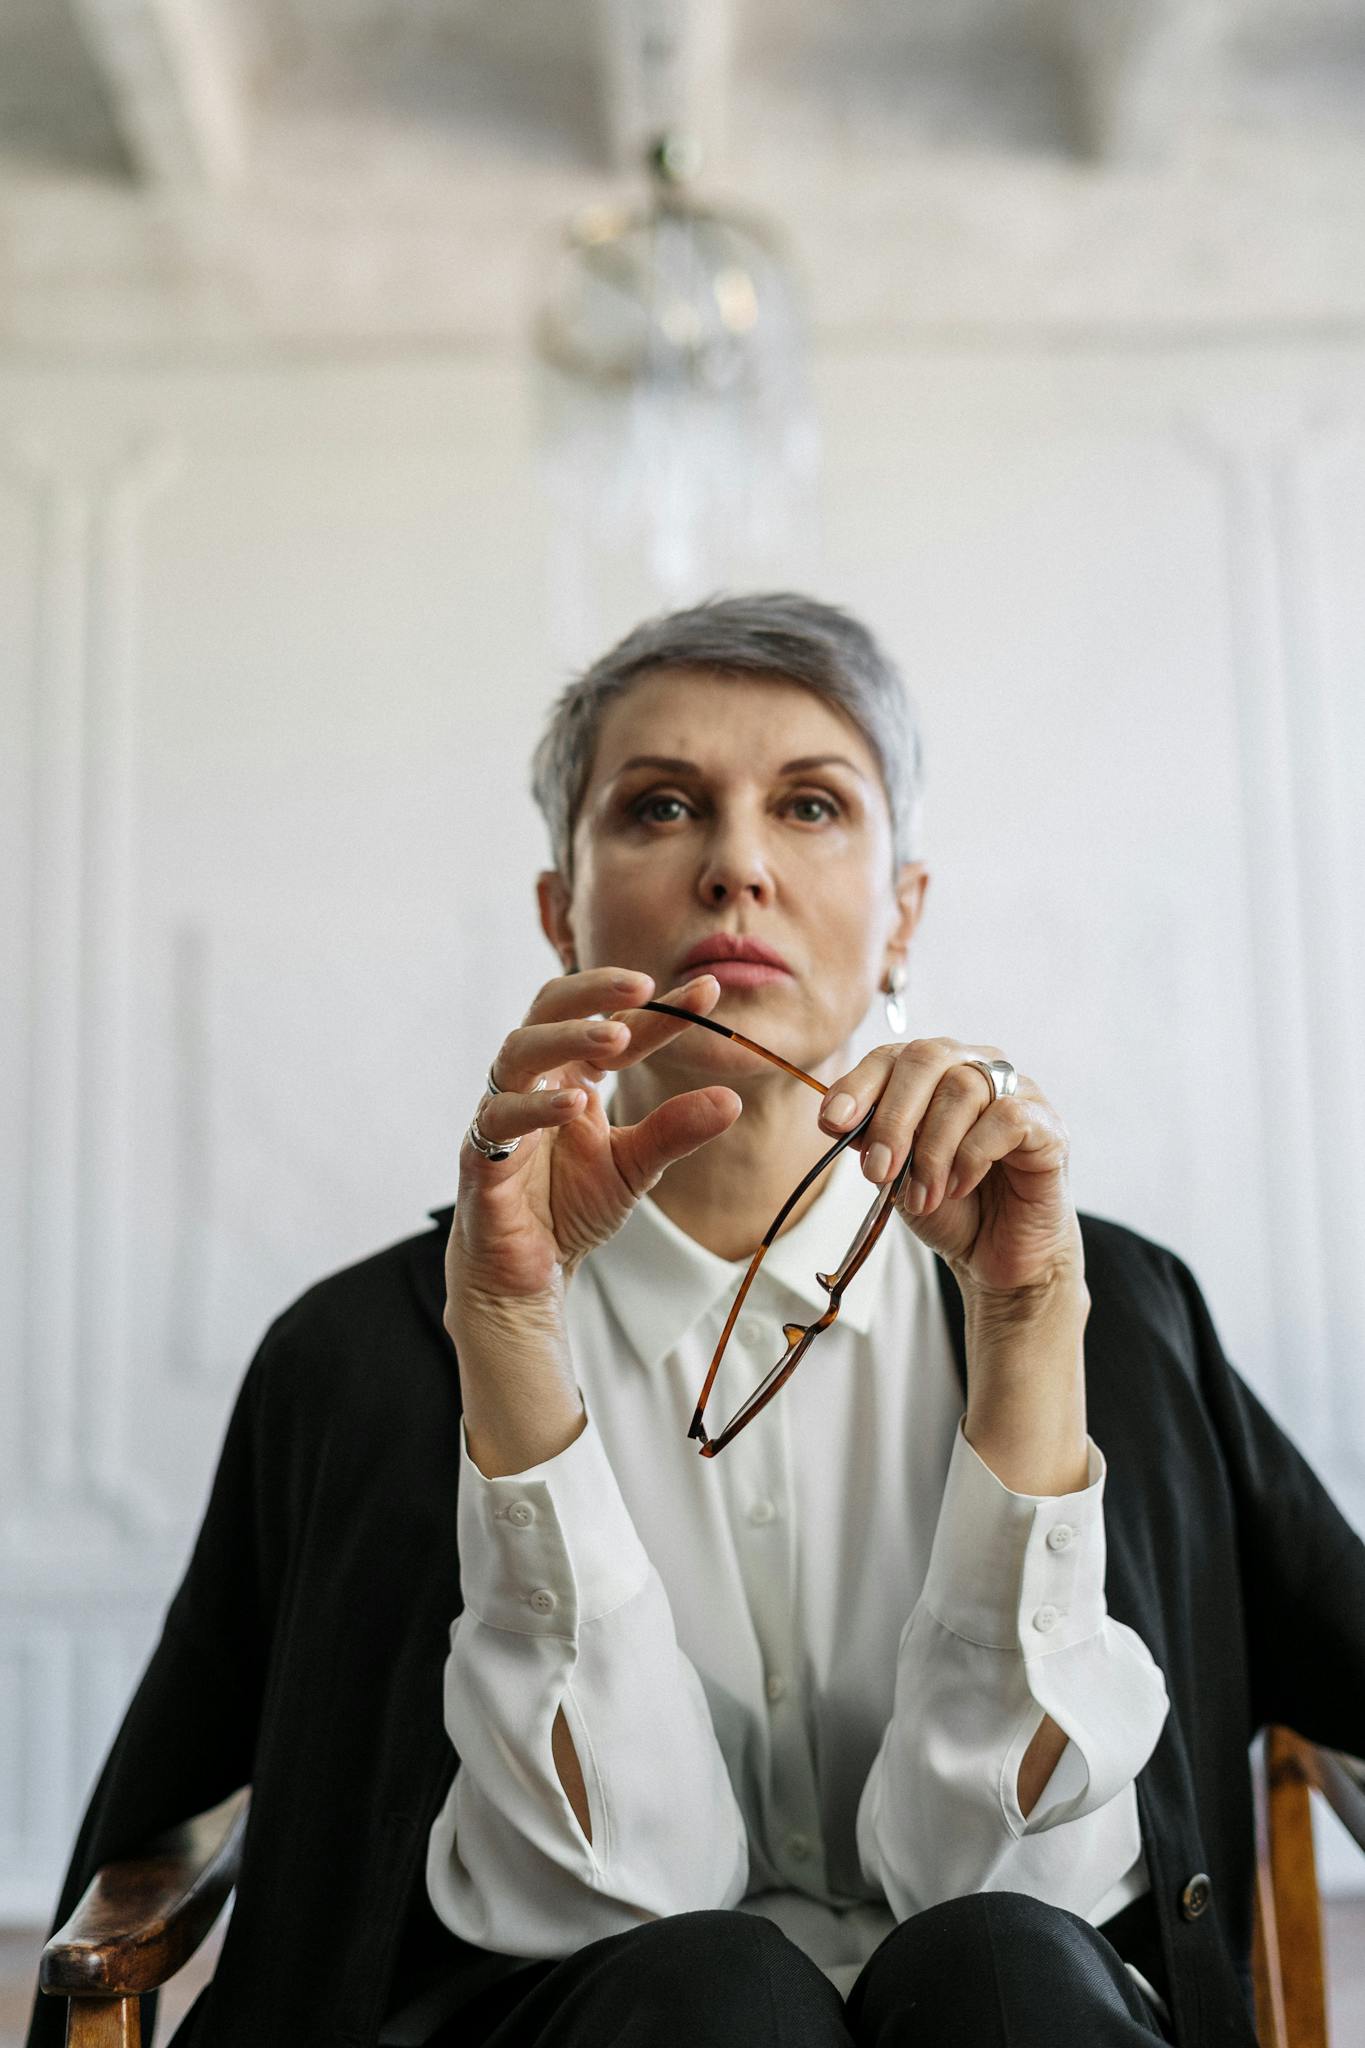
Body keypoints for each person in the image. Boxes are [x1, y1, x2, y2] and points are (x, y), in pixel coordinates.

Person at [26, 595, 1365, 2048]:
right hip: (563, 2020)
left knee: (1006, 1968)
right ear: (562, 910)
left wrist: (1030, 1321)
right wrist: (510, 1335)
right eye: (660, 808)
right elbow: (165, 1809)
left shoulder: (1120, 1306)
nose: (736, 866)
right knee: (707, 1990)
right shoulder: (353, 1358)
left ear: (902, 912)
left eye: (808, 806)